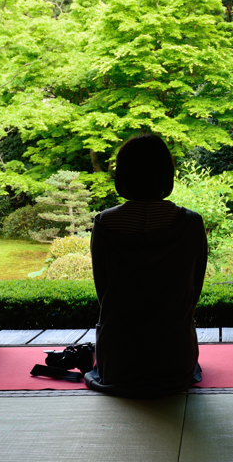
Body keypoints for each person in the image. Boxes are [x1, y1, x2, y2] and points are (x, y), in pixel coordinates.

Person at [84, 134, 207, 398]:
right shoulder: (190, 224)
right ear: (166, 175)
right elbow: (193, 289)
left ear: (123, 176)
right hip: (175, 359)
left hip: (118, 361)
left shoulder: (104, 224)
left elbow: (103, 291)